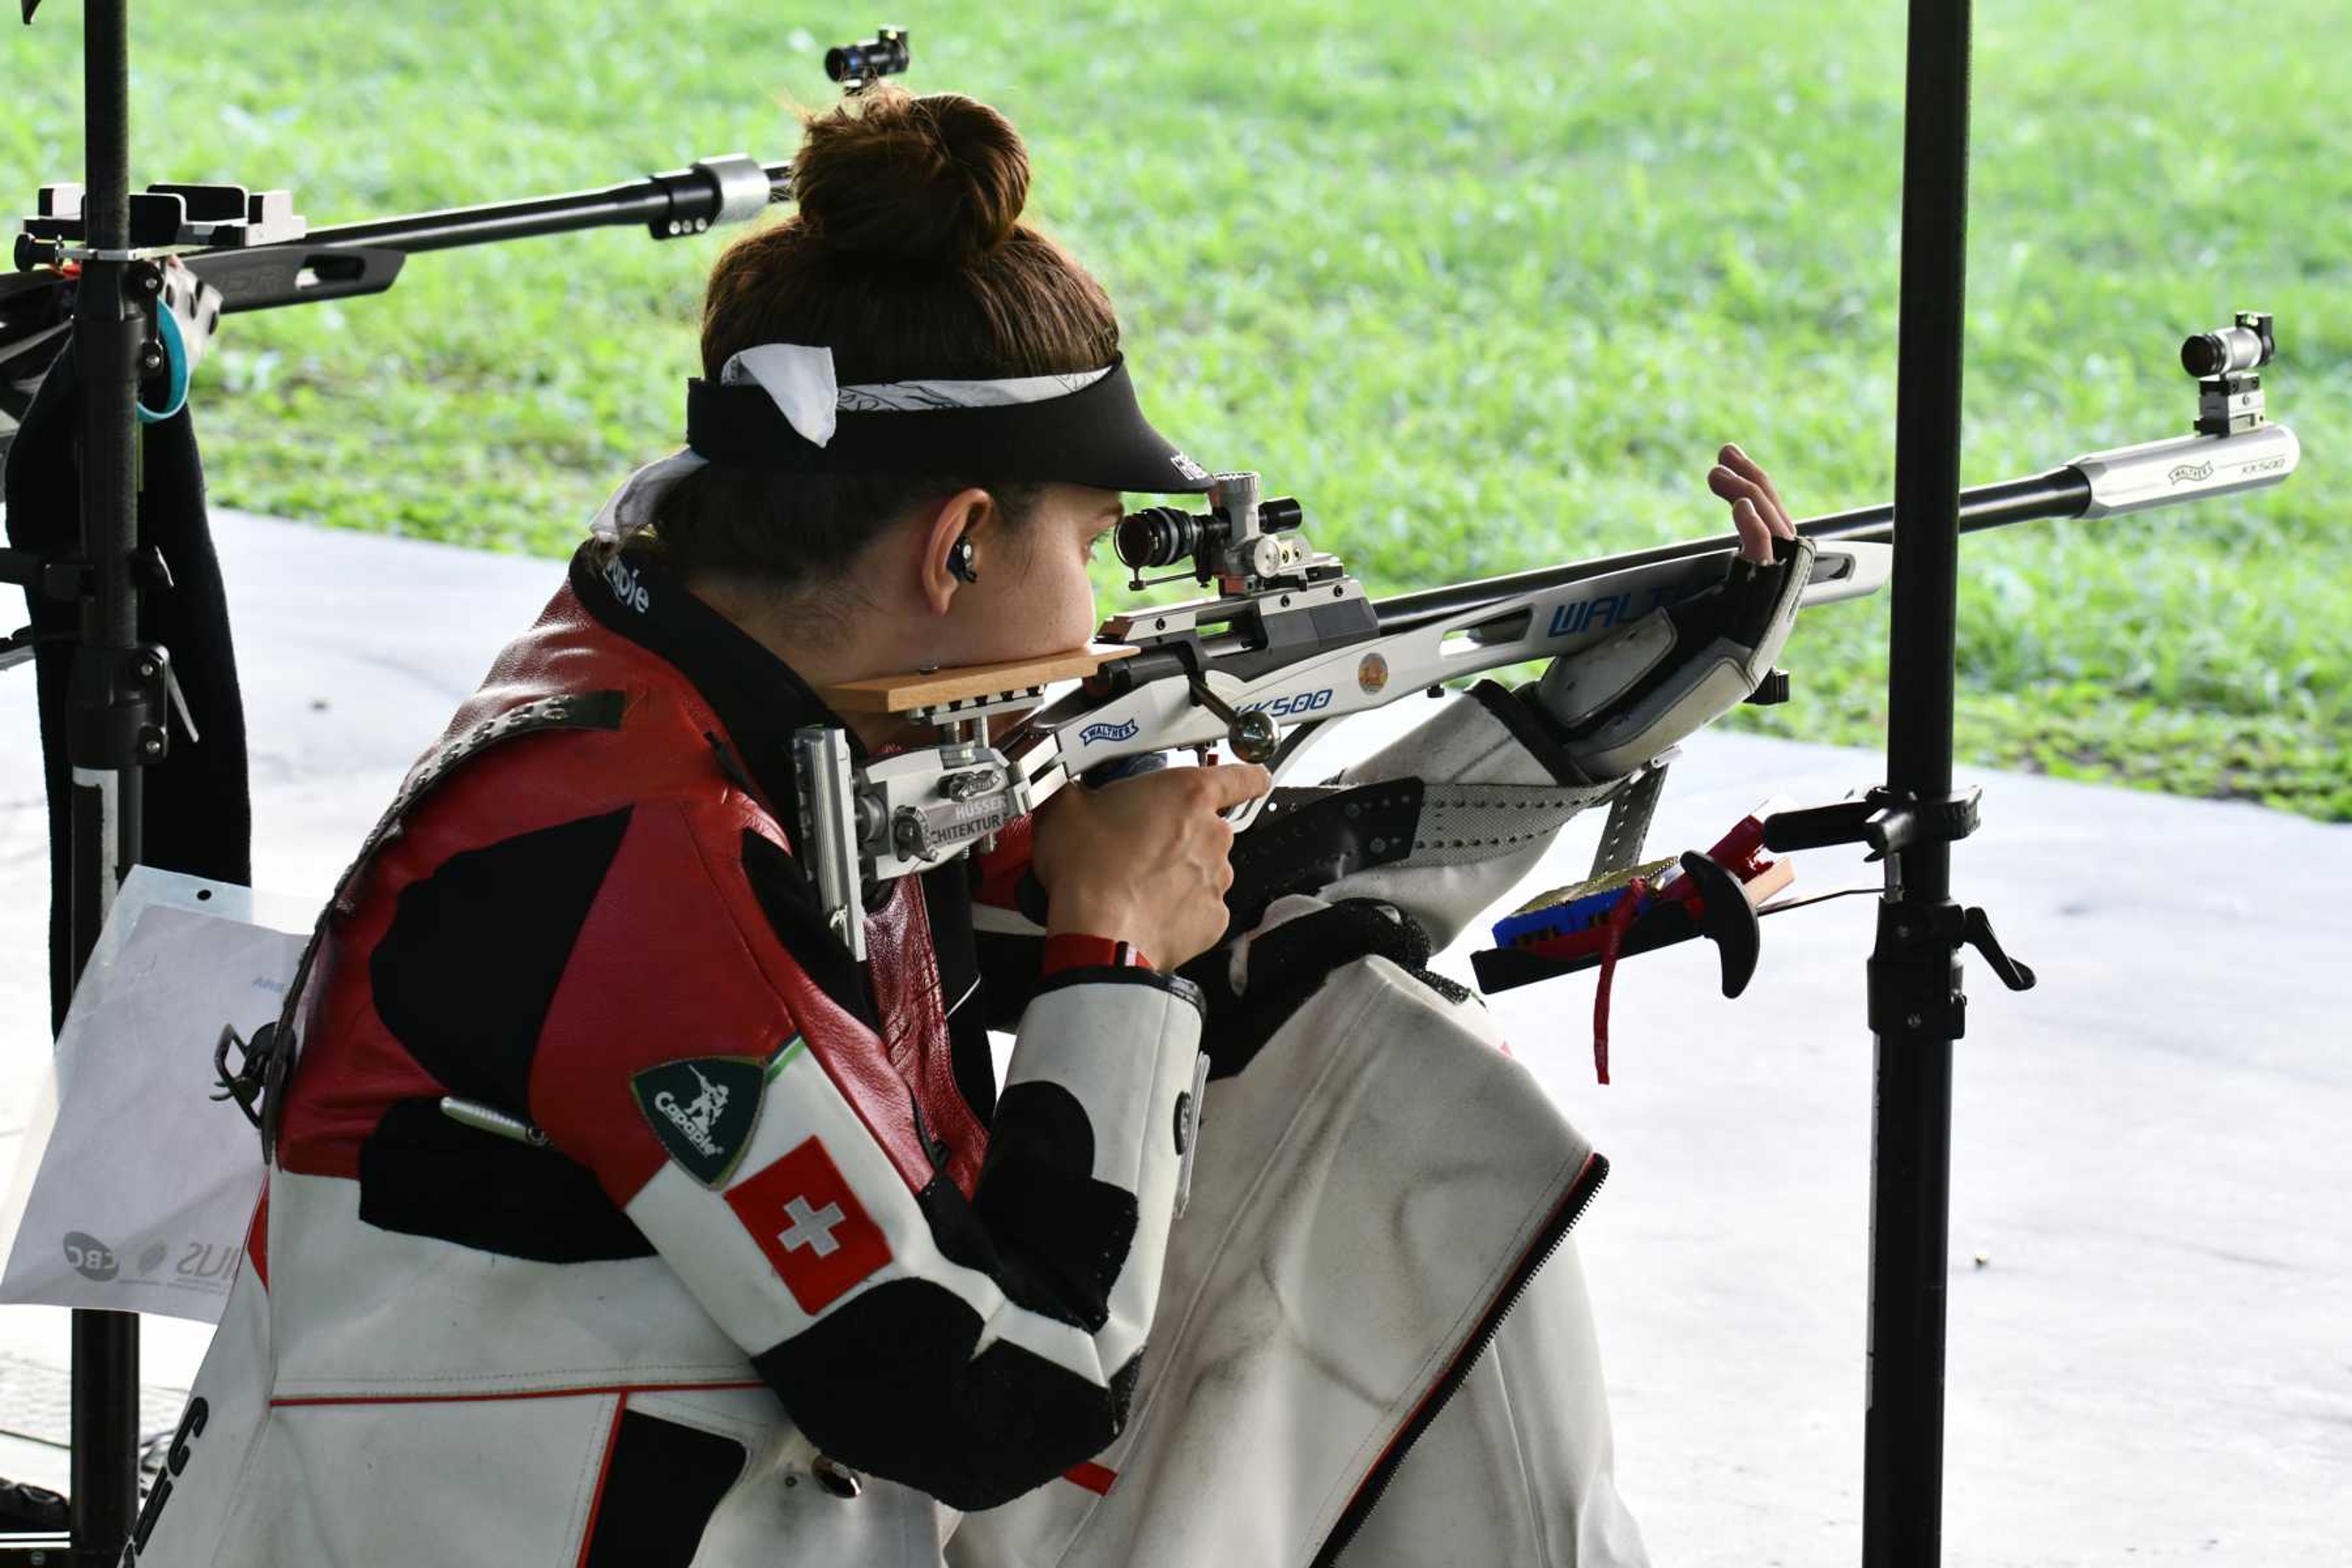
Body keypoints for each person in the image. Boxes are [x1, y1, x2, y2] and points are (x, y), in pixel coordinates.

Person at [132, 86, 1806, 1567]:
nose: (1103, 614)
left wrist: (1607, 707)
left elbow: (1262, 892)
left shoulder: (723, 689)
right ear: (956, 546)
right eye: (1094, 544)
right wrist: (1114, 957)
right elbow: (1002, 1403)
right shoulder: (630, 854)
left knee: (1330, 1020)